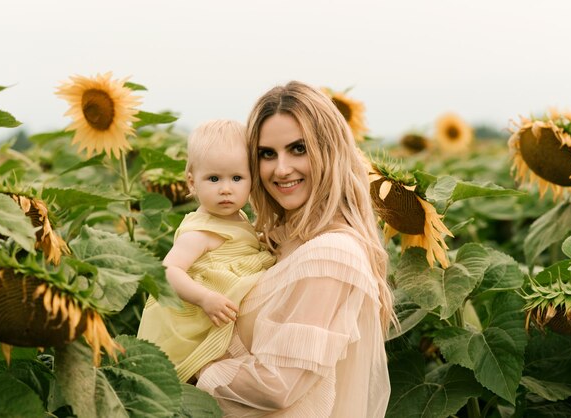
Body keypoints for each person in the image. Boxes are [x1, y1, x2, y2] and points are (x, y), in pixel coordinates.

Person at [196, 81, 396, 417]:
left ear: (328, 151)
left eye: (298, 149)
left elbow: (277, 386)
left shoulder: (332, 253)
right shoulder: (277, 240)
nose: (281, 168)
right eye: (267, 154)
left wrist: (192, 367)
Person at [137, 119, 275, 383]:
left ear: (251, 179)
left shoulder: (238, 218)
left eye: (237, 178)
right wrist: (204, 298)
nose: (225, 188)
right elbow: (166, 272)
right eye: (213, 178)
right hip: (191, 325)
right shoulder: (199, 232)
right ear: (192, 181)